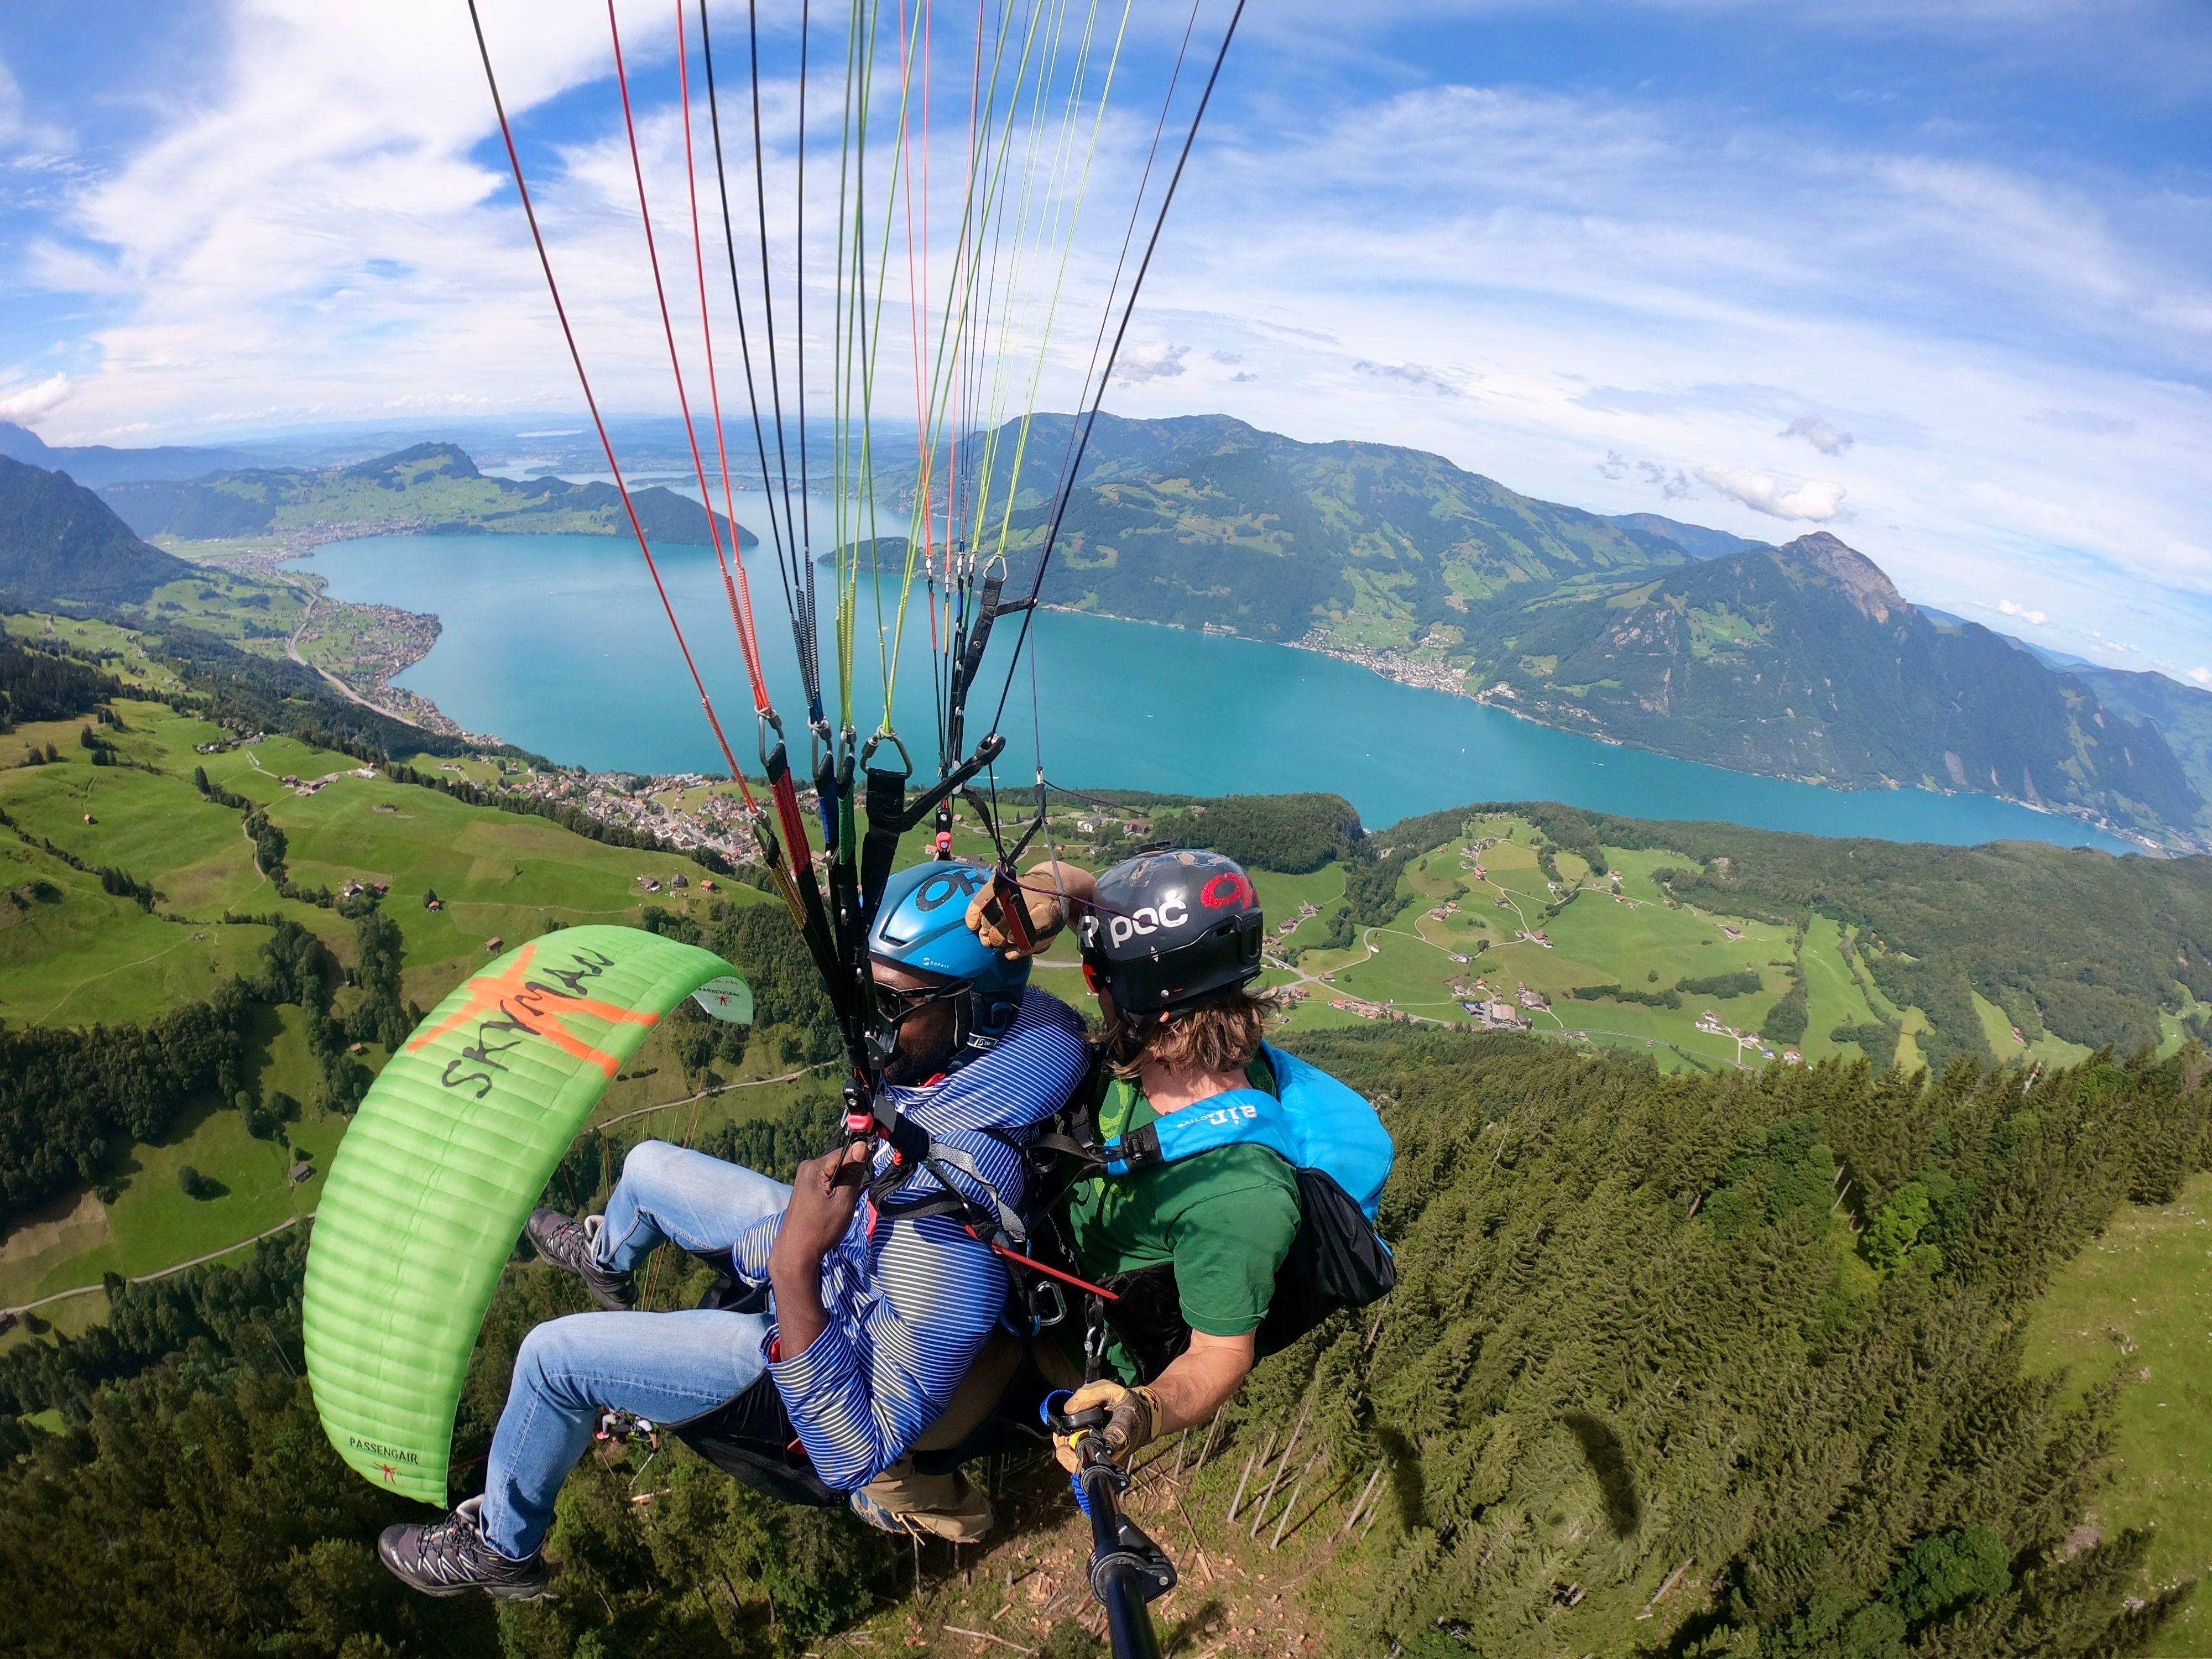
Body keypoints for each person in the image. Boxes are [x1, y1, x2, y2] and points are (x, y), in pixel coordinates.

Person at [374, 859, 1092, 1599]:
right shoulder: (1026, 1034)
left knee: (552, 1358)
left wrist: (793, 1262)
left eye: (890, 1004)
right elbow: (1091, 909)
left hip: (815, 1363)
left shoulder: (948, 1232)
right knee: (648, 1168)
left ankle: (501, 1546)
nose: (869, 1022)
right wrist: (1058, 888)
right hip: (846, 1250)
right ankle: (603, 1259)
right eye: (864, 993)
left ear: (970, 1013)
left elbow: (856, 1447)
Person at [969, 848, 1391, 1480]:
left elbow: (1221, 1353)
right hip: (1051, 1245)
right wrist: (1062, 889)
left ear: (1151, 999)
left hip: (1076, 1334)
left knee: (927, 1420)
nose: (1095, 989)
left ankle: (941, 1505)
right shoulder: (1165, 1043)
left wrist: (1144, 1411)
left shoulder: (1241, 1197)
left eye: (1097, 974)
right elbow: (1133, 922)